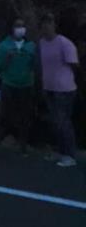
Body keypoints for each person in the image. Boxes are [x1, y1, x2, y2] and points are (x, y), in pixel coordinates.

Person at [38, 12, 79, 168]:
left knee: (64, 122)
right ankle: (60, 151)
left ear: (54, 25)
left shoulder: (64, 43)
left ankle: (70, 155)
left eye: (49, 23)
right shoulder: (41, 43)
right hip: (49, 88)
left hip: (64, 89)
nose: (46, 26)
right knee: (55, 122)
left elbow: (75, 65)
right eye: (44, 24)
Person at [0, 19, 36, 155]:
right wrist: (8, 59)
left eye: (22, 26)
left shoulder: (31, 46)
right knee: (3, 116)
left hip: (26, 85)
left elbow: (35, 66)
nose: (20, 29)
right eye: (17, 26)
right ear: (12, 28)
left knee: (24, 117)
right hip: (9, 85)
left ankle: (23, 147)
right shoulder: (4, 46)